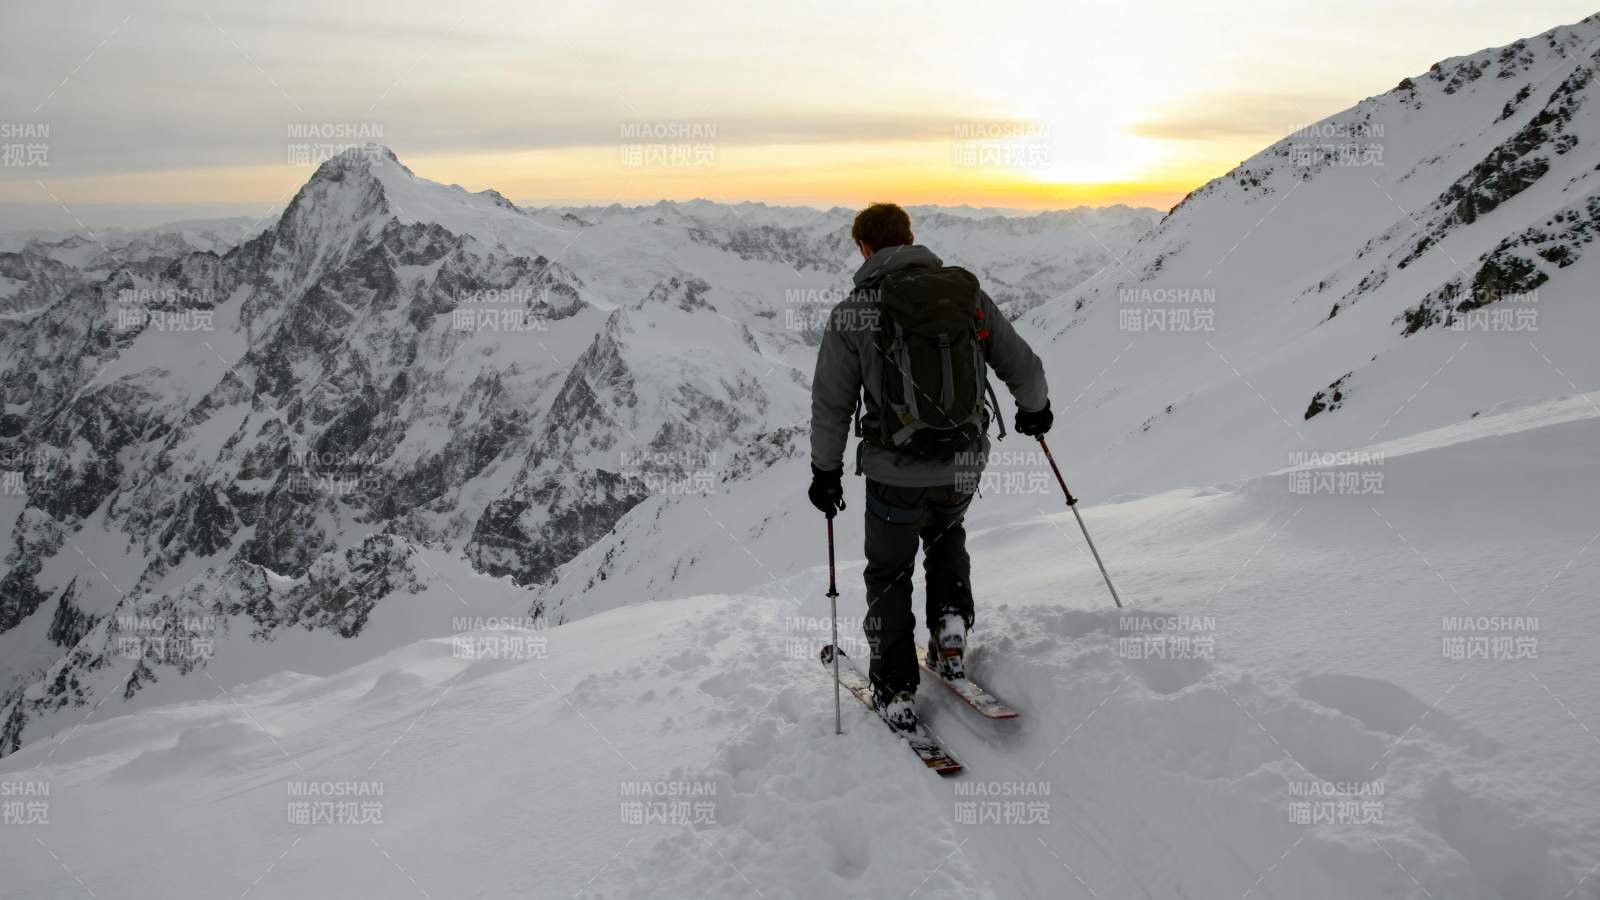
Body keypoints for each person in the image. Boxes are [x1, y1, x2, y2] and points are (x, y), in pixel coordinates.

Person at [808, 202, 1052, 732]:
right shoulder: (965, 295)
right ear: (910, 237)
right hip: (964, 461)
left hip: (895, 472)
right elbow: (1023, 365)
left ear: (865, 248)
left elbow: (832, 403)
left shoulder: (854, 311)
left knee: (890, 574)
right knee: (946, 536)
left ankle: (896, 690)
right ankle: (950, 633)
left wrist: (825, 472)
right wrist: (1035, 411)